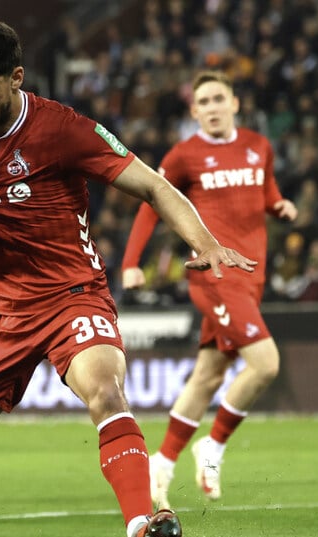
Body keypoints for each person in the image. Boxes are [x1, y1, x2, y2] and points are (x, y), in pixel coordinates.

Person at [0, 20, 255, 537]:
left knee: (105, 389)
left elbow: (154, 186)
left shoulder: (61, 128)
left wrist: (205, 243)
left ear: (16, 77)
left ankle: (142, 524)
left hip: (71, 294)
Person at [121, 70, 298, 510]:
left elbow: (267, 193)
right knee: (266, 365)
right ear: (194, 111)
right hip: (214, 275)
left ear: (235, 104)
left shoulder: (260, 147)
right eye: (204, 101)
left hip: (251, 277)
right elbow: (151, 202)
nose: (213, 107)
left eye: (220, 98)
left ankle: (161, 462)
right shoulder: (185, 156)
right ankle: (213, 446)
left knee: (209, 374)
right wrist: (130, 263)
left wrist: (280, 207)